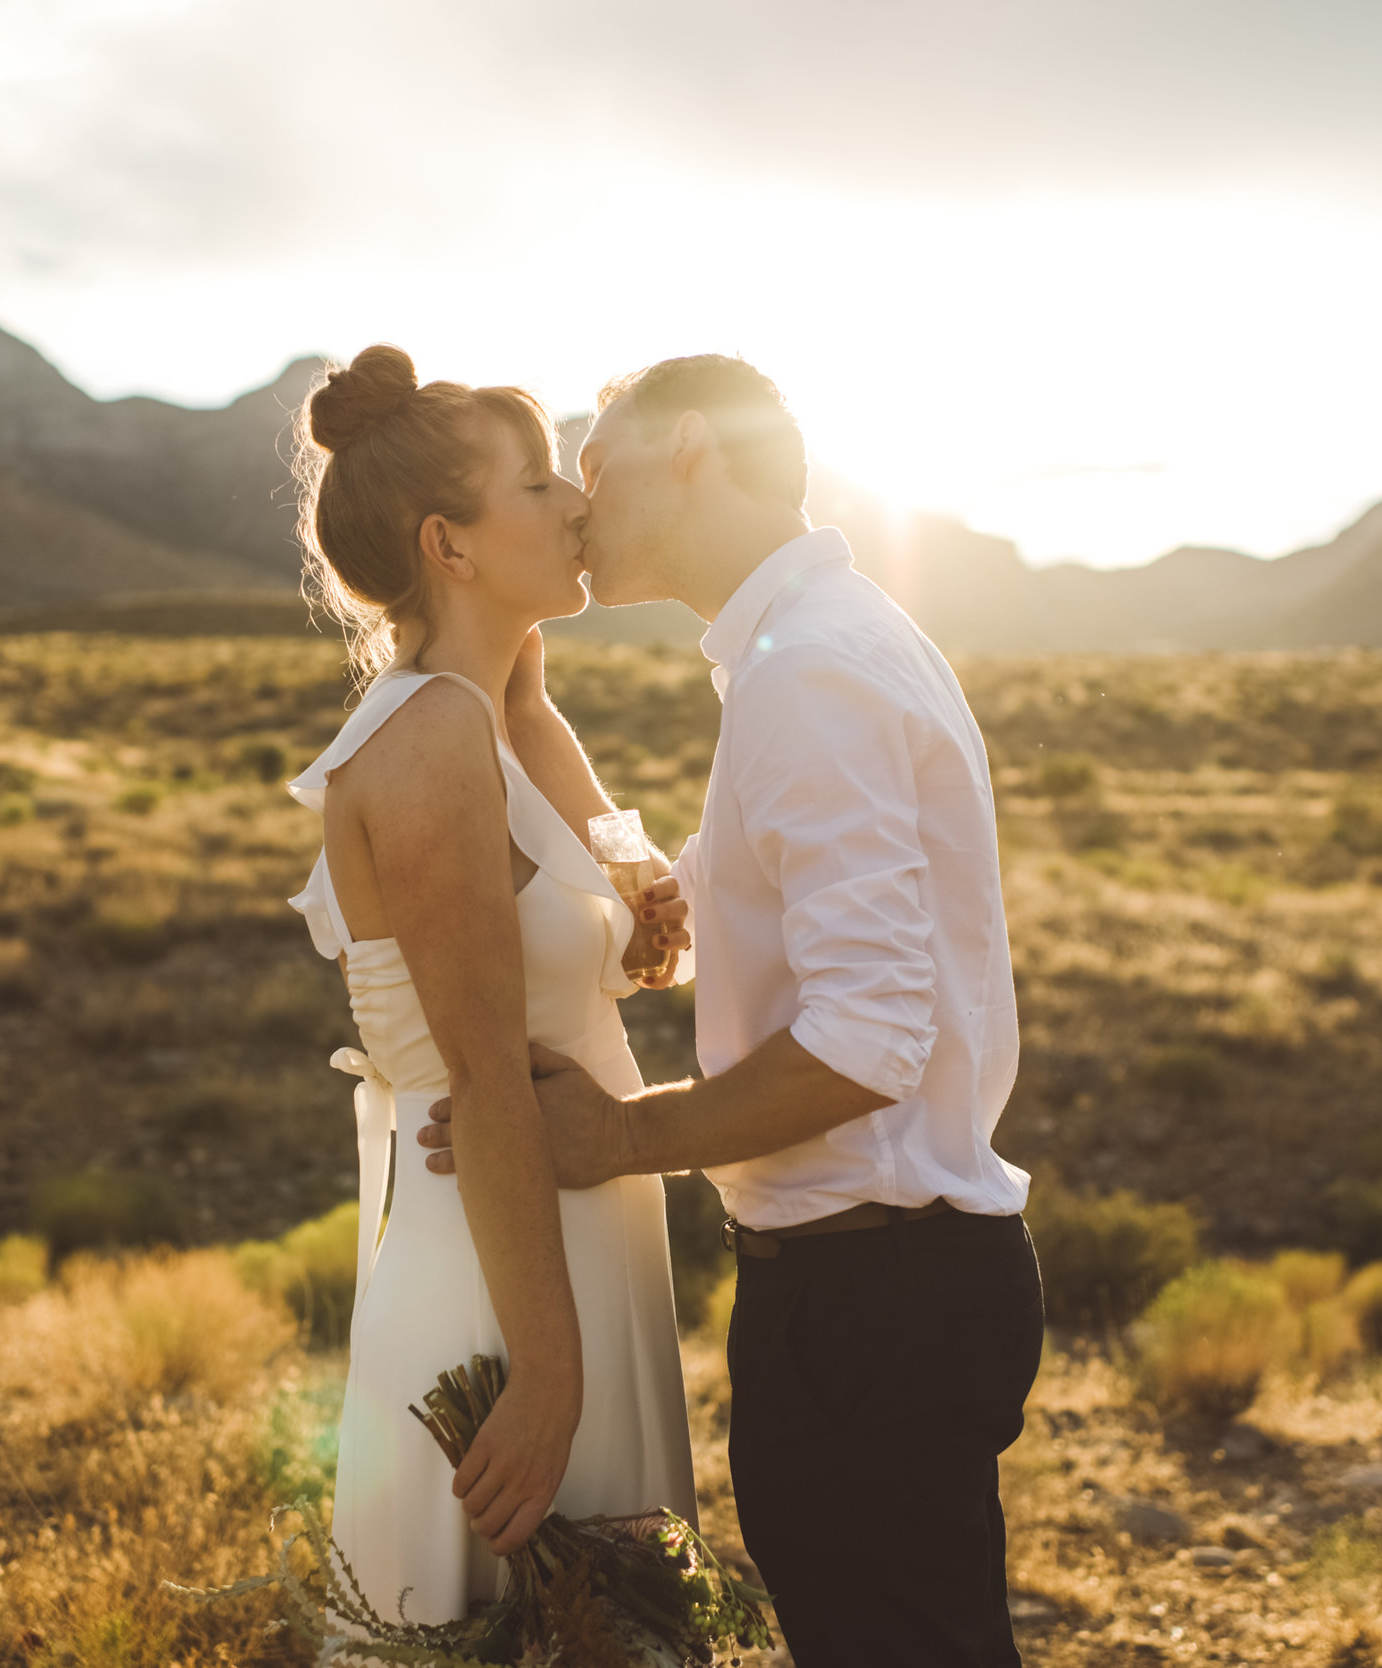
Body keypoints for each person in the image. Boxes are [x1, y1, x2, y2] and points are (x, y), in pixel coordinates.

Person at [419, 355, 1043, 1665]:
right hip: (882, 1283)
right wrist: (648, 888)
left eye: (597, 469)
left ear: (694, 446)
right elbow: (762, 906)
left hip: (873, 1298)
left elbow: (872, 1037)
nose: (581, 510)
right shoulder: (808, 648)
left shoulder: (809, 670)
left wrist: (618, 1136)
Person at [282, 345, 697, 1628]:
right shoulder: (425, 744)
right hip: (503, 1277)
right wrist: (553, 1380)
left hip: (570, 1239)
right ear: (448, 546)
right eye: (534, 484)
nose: (575, 502)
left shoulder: (496, 709)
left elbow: (536, 712)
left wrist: (637, 871)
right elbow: (483, 1078)